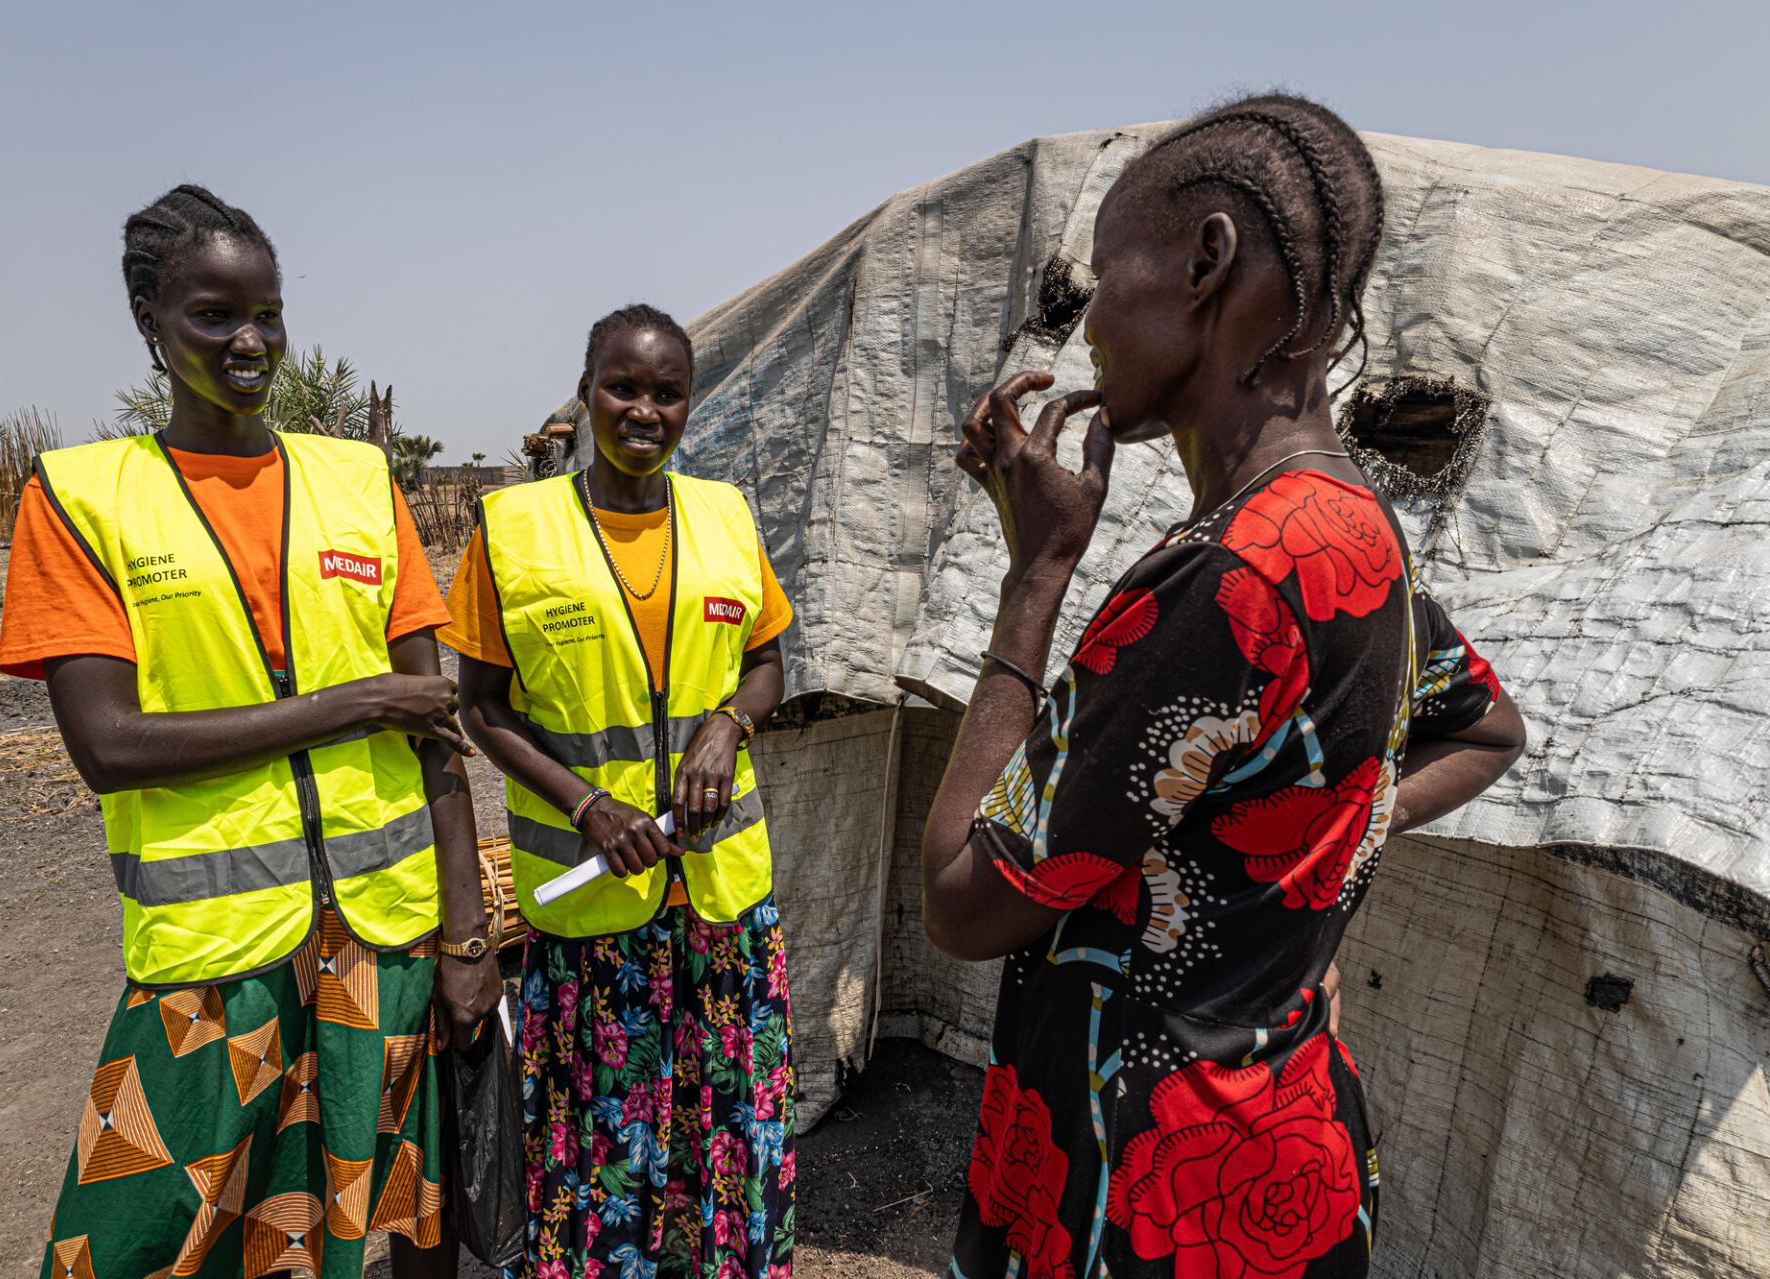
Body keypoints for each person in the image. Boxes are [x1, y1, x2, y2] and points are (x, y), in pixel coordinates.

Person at [923, 96, 1526, 1279]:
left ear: (1205, 260)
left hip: (1147, 1191)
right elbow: (1485, 725)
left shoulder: (1221, 583)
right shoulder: (1348, 525)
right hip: (1284, 1154)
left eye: (1103, 277)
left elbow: (960, 902)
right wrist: (1298, 862)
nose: (1089, 320)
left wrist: (1036, 576)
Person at [0, 184, 499, 1279]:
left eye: (268, 313)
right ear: (148, 318)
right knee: (133, 1247)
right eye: (214, 315)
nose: (251, 340)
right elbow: (109, 744)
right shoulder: (83, 498)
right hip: (212, 970)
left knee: (400, 1230)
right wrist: (349, 702)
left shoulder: (357, 480)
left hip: (385, 943)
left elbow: (438, 736)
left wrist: (465, 936)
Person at [443, 304, 796, 1279]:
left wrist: (732, 722)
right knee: (600, 1162)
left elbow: (767, 661)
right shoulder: (512, 528)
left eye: (668, 391)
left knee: (727, 1143)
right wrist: (587, 805)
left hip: (723, 905)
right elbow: (483, 708)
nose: (645, 409)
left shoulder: (725, 516)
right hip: (595, 916)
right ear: (586, 391)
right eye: (623, 387)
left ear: (691, 401)